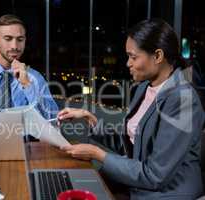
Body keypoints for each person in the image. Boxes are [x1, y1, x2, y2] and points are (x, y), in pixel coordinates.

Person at [58, 19, 205, 199]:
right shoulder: (143, 88)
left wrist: (97, 154)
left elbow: (155, 176)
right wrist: (89, 118)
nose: (128, 63)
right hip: (138, 185)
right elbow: (130, 144)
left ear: (158, 56)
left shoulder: (183, 101)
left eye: (133, 57)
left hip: (166, 193)